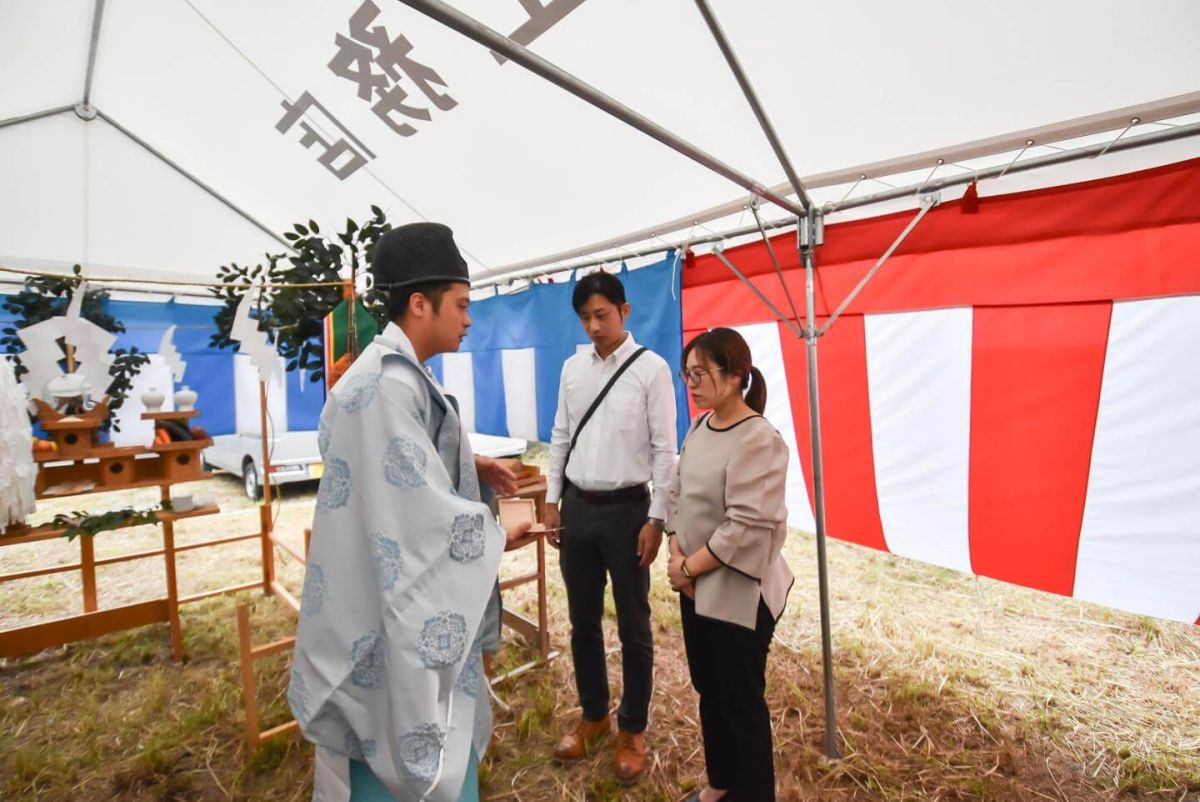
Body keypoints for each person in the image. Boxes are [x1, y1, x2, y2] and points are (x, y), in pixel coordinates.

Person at [289, 222, 538, 802]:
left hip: (369, 604)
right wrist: (500, 530)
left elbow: (395, 463)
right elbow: (414, 519)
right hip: (381, 619)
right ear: (420, 304)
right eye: (461, 304)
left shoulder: (386, 378)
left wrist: (468, 462)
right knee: (397, 757)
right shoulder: (384, 387)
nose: (469, 319)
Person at [542, 270, 678, 784]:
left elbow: (666, 449)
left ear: (625, 311)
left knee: (634, 624)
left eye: (601, 315)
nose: (594, 327)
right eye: (585, 318)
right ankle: (594, 713)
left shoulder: (652, 370)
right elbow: (559, 434)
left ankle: (633, 726)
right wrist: (553, 499)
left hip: (628, 512)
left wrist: (656, 519)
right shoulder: (573, 369)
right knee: (582, 621)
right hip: (577, 508)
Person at [666, 327, 793, 802]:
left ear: (736, 374)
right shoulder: (700, 427)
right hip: (695, 585)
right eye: (687, 375)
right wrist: (677, 551)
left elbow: (745, 526)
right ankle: (719, 786)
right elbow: (678, 494)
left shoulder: (758, 439)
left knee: (739, 701)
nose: (692, 384)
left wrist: (689, 568)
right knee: (709, 690)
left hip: (738, 594)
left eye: (700, 374)